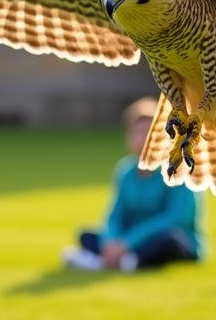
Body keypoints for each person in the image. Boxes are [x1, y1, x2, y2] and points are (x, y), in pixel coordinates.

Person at [62, 97, 205, 272]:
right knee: (86, 235)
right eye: (139, 132)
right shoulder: (126, 172)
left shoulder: (179, 168)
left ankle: (111, 260)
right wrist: (111, 241)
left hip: (167, 239)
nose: (144, 138)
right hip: (128, 238)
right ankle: (120, 259)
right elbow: (115, 216)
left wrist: (128, 242)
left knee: (168, 240)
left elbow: (176, 218)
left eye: (150, 132)